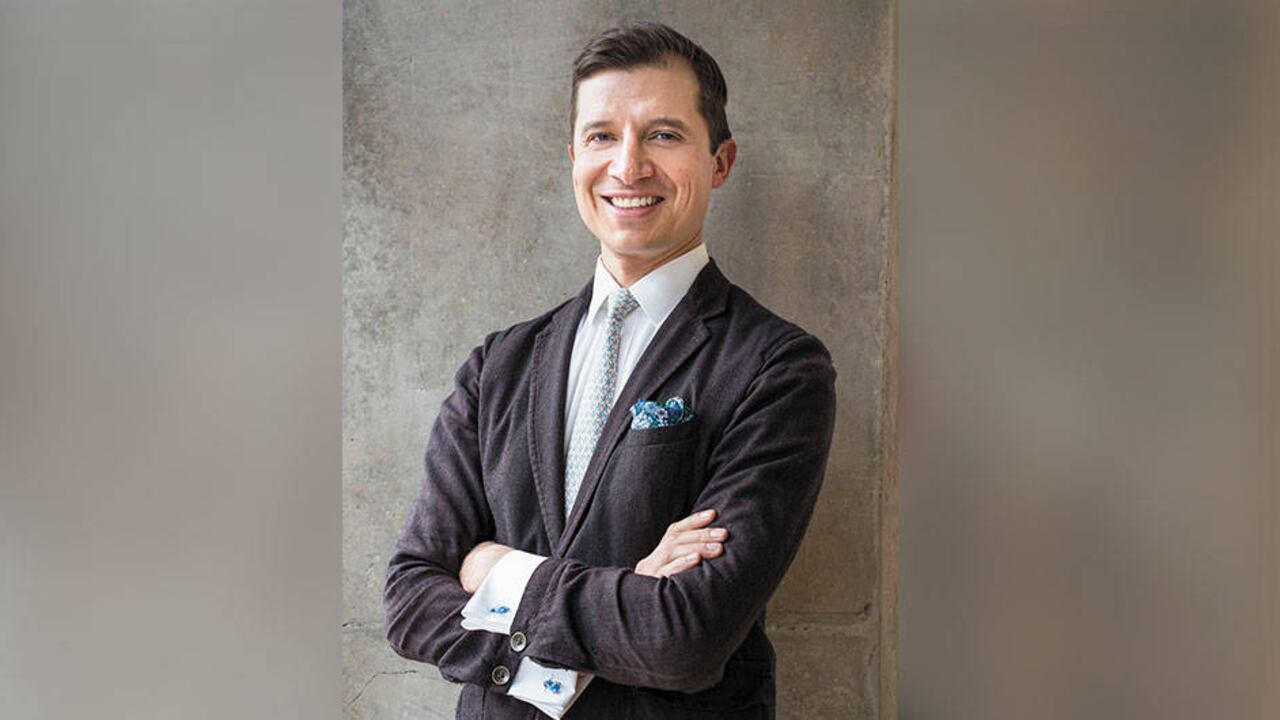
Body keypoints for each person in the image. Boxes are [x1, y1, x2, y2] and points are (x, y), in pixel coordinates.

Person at [384, 22, 837, 719]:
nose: (628, 167)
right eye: (602, 136)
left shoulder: (778, 366)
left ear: (720, 161)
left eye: (663, 135)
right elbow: (411, 598)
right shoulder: (497, 366)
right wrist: (625, 594)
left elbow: (684, 637)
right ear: (574, 158)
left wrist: (496, 570)